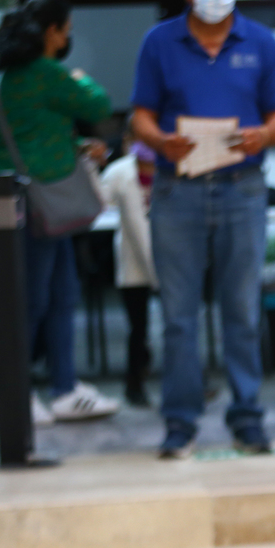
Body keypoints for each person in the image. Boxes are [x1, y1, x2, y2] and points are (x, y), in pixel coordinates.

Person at [130, 0, 275, 458]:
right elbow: (140, 117)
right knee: (178, 315)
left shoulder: (261, 42)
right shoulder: (160, 42)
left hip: (242, 189)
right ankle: (180, 422)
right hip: (178, 191)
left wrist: (262, 136)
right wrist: (160, 142)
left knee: (241, 310)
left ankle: (247, 417)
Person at [0, 0, 120, 422]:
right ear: (52, 32)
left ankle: (63, 389)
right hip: (39, 205)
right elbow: (97, 104)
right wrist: (81, 77)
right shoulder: (45, 72)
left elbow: (32, 136)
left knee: (60, 294)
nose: (67, 38)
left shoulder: (10, 77)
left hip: (33, 202)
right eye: (66, 30)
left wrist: (76, 145)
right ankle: (22, 392)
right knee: (34, 299)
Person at [100, 138, 158, 407]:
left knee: (181, 323)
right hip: (133, 259)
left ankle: (190, 381)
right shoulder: (119, 172)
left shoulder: (171, 166)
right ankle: (134, 383)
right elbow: (98, 202)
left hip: (170, 257)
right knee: (138, 327)